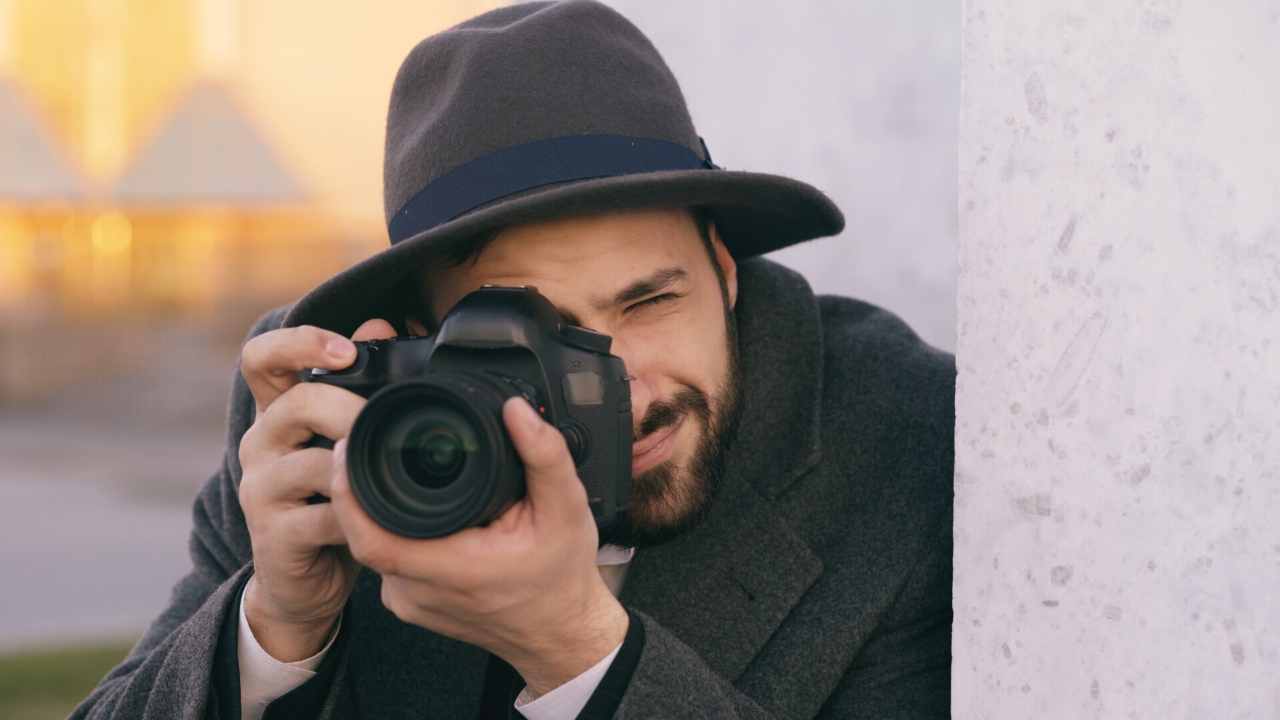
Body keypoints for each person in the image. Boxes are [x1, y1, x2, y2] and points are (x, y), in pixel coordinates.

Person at [73, 2, 954, 718]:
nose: (624, 386)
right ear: (416, 339)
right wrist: (275, 632)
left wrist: (574, 649)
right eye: (536, 332)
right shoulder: (333, 427)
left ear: (725, 272)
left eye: (648, 301)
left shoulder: (902, 445)